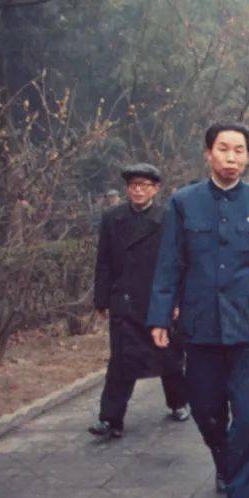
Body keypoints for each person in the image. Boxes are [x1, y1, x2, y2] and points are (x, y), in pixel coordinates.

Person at [147, 123, 249, 498]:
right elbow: (169, 264)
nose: (232, 157)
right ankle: (223, 459)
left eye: (239, 150)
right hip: (201, 325)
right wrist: (160, 316)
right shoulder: (184, 202)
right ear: (208, 153)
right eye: (224, 149)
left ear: (248, 156)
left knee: (247, 415)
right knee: (207, 409)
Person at [90, 163, 189, 439]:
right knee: (121, 361)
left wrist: (177, 300)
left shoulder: (168, 218)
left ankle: (178, 402)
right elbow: (103, 261)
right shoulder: (112, 218)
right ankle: (110, 419)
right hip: (124, 300)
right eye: (133, 185)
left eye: (144, 185)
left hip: (158, 299)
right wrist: (101, 298)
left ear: (156, 189)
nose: (138, 191)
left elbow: (180, 263)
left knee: (168, 356)